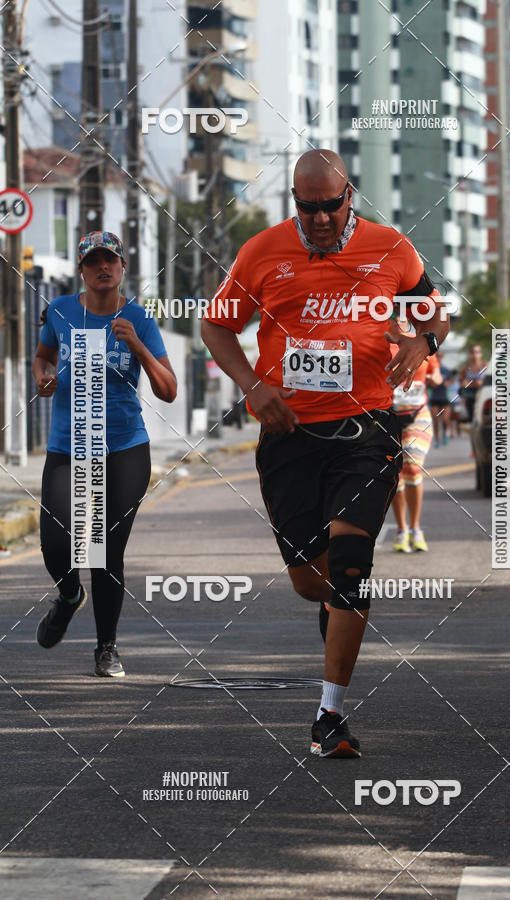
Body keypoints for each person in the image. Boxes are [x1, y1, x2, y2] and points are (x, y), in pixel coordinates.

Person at [201, 149, 449, 757]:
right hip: (290, 435)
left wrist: (423, 342)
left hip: (367, 430)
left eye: (329, 207)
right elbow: (215, 326)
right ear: (295, 200)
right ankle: (334, 610)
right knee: (312, 583)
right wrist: (253, 386)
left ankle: (329, 715)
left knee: (352, 564)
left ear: (349, 196)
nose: (318, 218)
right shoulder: (261, 252)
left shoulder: (392, 248)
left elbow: (434, 313)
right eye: (306, 207)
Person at [33, 231, 177, 677]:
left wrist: (137, 346)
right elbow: (42, 357)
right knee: (56, 541)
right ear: (81, 269)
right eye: (93, 260)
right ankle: (69, 595)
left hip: (124, 448)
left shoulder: (139, 318)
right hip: (69, 446)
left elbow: (169, 389)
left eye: (110, 260)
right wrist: (43, 378)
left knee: (105, 549)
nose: (102, 267)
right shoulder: (60, 311)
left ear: (122, 267)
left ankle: (106, 648)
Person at [391, 325, 442, 553]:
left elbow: (436, 374)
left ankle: (415, 528)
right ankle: (402, 529)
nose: (399, 321)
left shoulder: (421, 343)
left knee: (412, 465)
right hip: (389, 417)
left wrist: (435, 378)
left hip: (417, 414)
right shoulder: (380, 344)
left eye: (403, 316)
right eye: (394, 316)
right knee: (396, 474)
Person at [428, 349, 452, 447]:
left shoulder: (446, 370)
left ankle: (445, 434)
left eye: (440, 356)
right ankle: (437, 440)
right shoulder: (431, 369)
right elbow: (427, 383)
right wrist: (432, 383)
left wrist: (448, 383)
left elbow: (451, 380)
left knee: (445, 419)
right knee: (435, 420)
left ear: (442, 357)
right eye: (437, 356)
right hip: (434, 398)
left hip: (444, 397)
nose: (439, 358)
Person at [460, 344, 488, 422]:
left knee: (484, 418)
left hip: (483, 395)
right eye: (472, 352)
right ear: (470, 354)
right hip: (470, 397)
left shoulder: (486, 365)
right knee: (472, 419)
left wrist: (470, 383)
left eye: (477, 352)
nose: (475, 354)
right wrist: (476, 383)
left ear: (481, 353)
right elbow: (462, 382)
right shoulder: (465, 367)